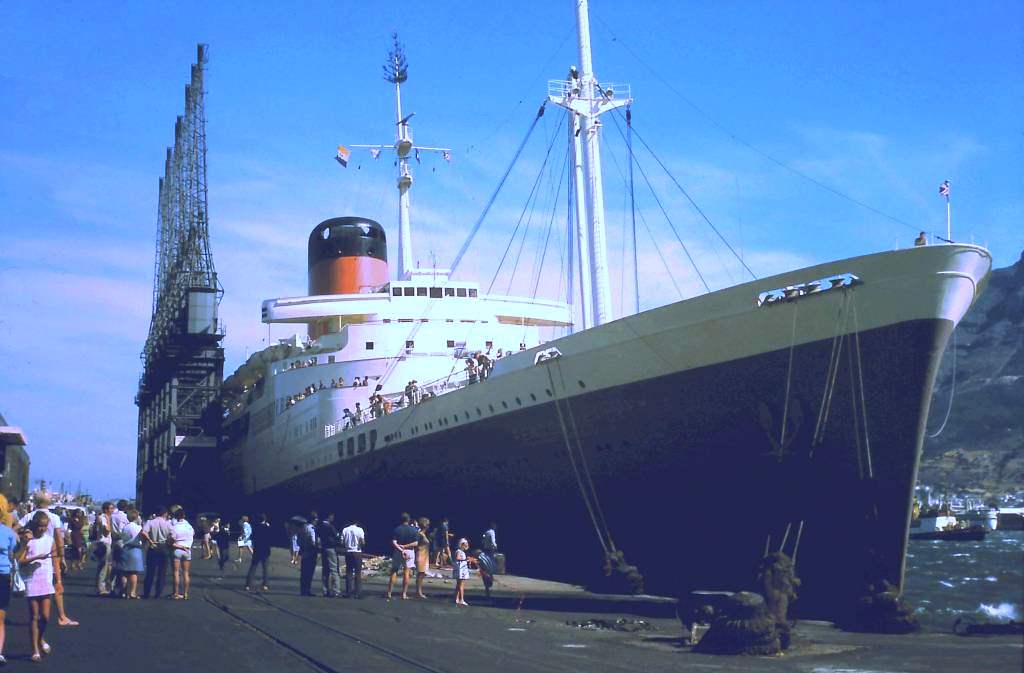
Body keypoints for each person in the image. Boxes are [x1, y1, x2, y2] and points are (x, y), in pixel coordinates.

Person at [17, 494, 77, 626]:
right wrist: (62, 557)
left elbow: (15, 529)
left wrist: (24, 535)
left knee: (35, 589)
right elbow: (59, 538)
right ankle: (61, 616)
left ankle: (37, 618)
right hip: (50, 552)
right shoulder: (54, 517)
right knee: (56, 584)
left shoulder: (30, 516)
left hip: (33, 549)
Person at [16, 511, 56, 661]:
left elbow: (54, 562)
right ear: (34, 525)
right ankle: (34, 650)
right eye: (40, 526)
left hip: (46, 580)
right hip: (32, 580)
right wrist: (35, 557)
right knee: (34, 616)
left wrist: (58, 579)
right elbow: (19, 560)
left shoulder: (49, 539)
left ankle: (40, 638)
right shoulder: (28, 540)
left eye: (45, 526)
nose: (42, 529)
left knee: (45, 617)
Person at [0, 494, 17, 665]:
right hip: (4, 574)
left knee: (0, 617)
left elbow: (15, 555)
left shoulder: (8, 533)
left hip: (2, 575)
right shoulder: (8, 532)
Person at [141, 506, 172, 599]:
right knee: (162, 573)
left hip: (153, 546)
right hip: (163, 547)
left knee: (150, 571)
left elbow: (143, 532)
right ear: (165, 514)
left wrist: (150, 540)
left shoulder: (150, 522)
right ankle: (158, 594)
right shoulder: (168, 524)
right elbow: (172, 536)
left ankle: (146, 593)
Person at [386, 513, 419, 601]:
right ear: (409, 520)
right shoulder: (413, 530)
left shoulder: (397, 529)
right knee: (406, 572)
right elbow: (416, 543)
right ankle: (404, 594)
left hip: (398, 550)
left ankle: (389, 592)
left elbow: (394, 542)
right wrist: (406, 547)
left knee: (394, 570)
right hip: (409, 551)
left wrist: (401, 548)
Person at [118, 509, 145, 599]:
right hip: (136, 550)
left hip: (125, 549)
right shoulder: (139, 528)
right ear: (137, 517)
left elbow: (123, 538)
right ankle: (132, 592)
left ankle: (124, 592)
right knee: (133, 573)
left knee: (125, 572)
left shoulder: (125, 527)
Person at [169, 509, 194, 600]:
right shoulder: (189, 527)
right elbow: (192, 536)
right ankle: (186, 593)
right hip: (187, 550)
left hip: (177, 550)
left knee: (176, 572)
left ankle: (176, 593)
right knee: (186, 573)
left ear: (175, 516)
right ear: (184, 516)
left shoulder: (174, 527)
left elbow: (171, 542)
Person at [245, 514, 272, 592]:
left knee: (253, 567)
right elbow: (271, 538)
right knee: (265, 568)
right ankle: (265, 585)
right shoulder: (267, 528)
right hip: (265, 550)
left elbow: (252, 537)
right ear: (265, 520)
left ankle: (248, 584)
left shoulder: (255, 528)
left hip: (257, 549)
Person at [92, 501, 113, 596]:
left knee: (105, 566)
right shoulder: (103, 518)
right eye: (110, 508)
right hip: (104, 543)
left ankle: (102, 586)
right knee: (103, 567)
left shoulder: (103, 517)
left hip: (105, 542)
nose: (112, 510)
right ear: (106, 509)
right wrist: (108, 522)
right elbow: (106, 531)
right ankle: (101, 588)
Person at [317, 513, 341, 597]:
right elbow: (337, 536)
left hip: (324, 549)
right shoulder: (330, 527)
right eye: (332, 516)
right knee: (334, 570)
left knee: (325, 570)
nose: (333, 518)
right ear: (329, 516)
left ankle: (325, 590)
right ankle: (336, 590)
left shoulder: (320, 526)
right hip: (331, 548)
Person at [341, 517, 365, 599]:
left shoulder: (345, 529)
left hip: (348, 552)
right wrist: (361, 546)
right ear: (357, 522)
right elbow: (362, 541)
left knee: (349, 572)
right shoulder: (360, 530)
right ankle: (357, 593)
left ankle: (348, 592)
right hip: (357, 552)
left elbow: (342, 541)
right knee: (358, 573)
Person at [296, 519, 318, 596]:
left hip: (303, 552)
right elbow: (313, 542)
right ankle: (307, 590)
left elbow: (298, 541)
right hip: (311, 552)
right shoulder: (311, 529)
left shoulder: (302, 529)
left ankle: (303, 590)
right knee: (309, 572)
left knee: (304, 572)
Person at [414, 517, 431, 599]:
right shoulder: (420, 534)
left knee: (422, 574)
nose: (429, 526)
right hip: (420, 555)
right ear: (425, 525)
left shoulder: (423, 534)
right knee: (420, 574)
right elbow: (416, 544)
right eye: (428, 525)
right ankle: (418, 592)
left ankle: (418, 591)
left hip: (424, 556)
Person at [453, 538, 470, 606]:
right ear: (462, 545)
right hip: (461, 570)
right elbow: (457, 558)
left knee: (458, 584)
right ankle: (461, 599)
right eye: (465, 545)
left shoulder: (461, 552)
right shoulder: (459, 551)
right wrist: (465, 559)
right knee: (461, 585)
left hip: (462, 569)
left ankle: (456, 598)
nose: (467, 546)